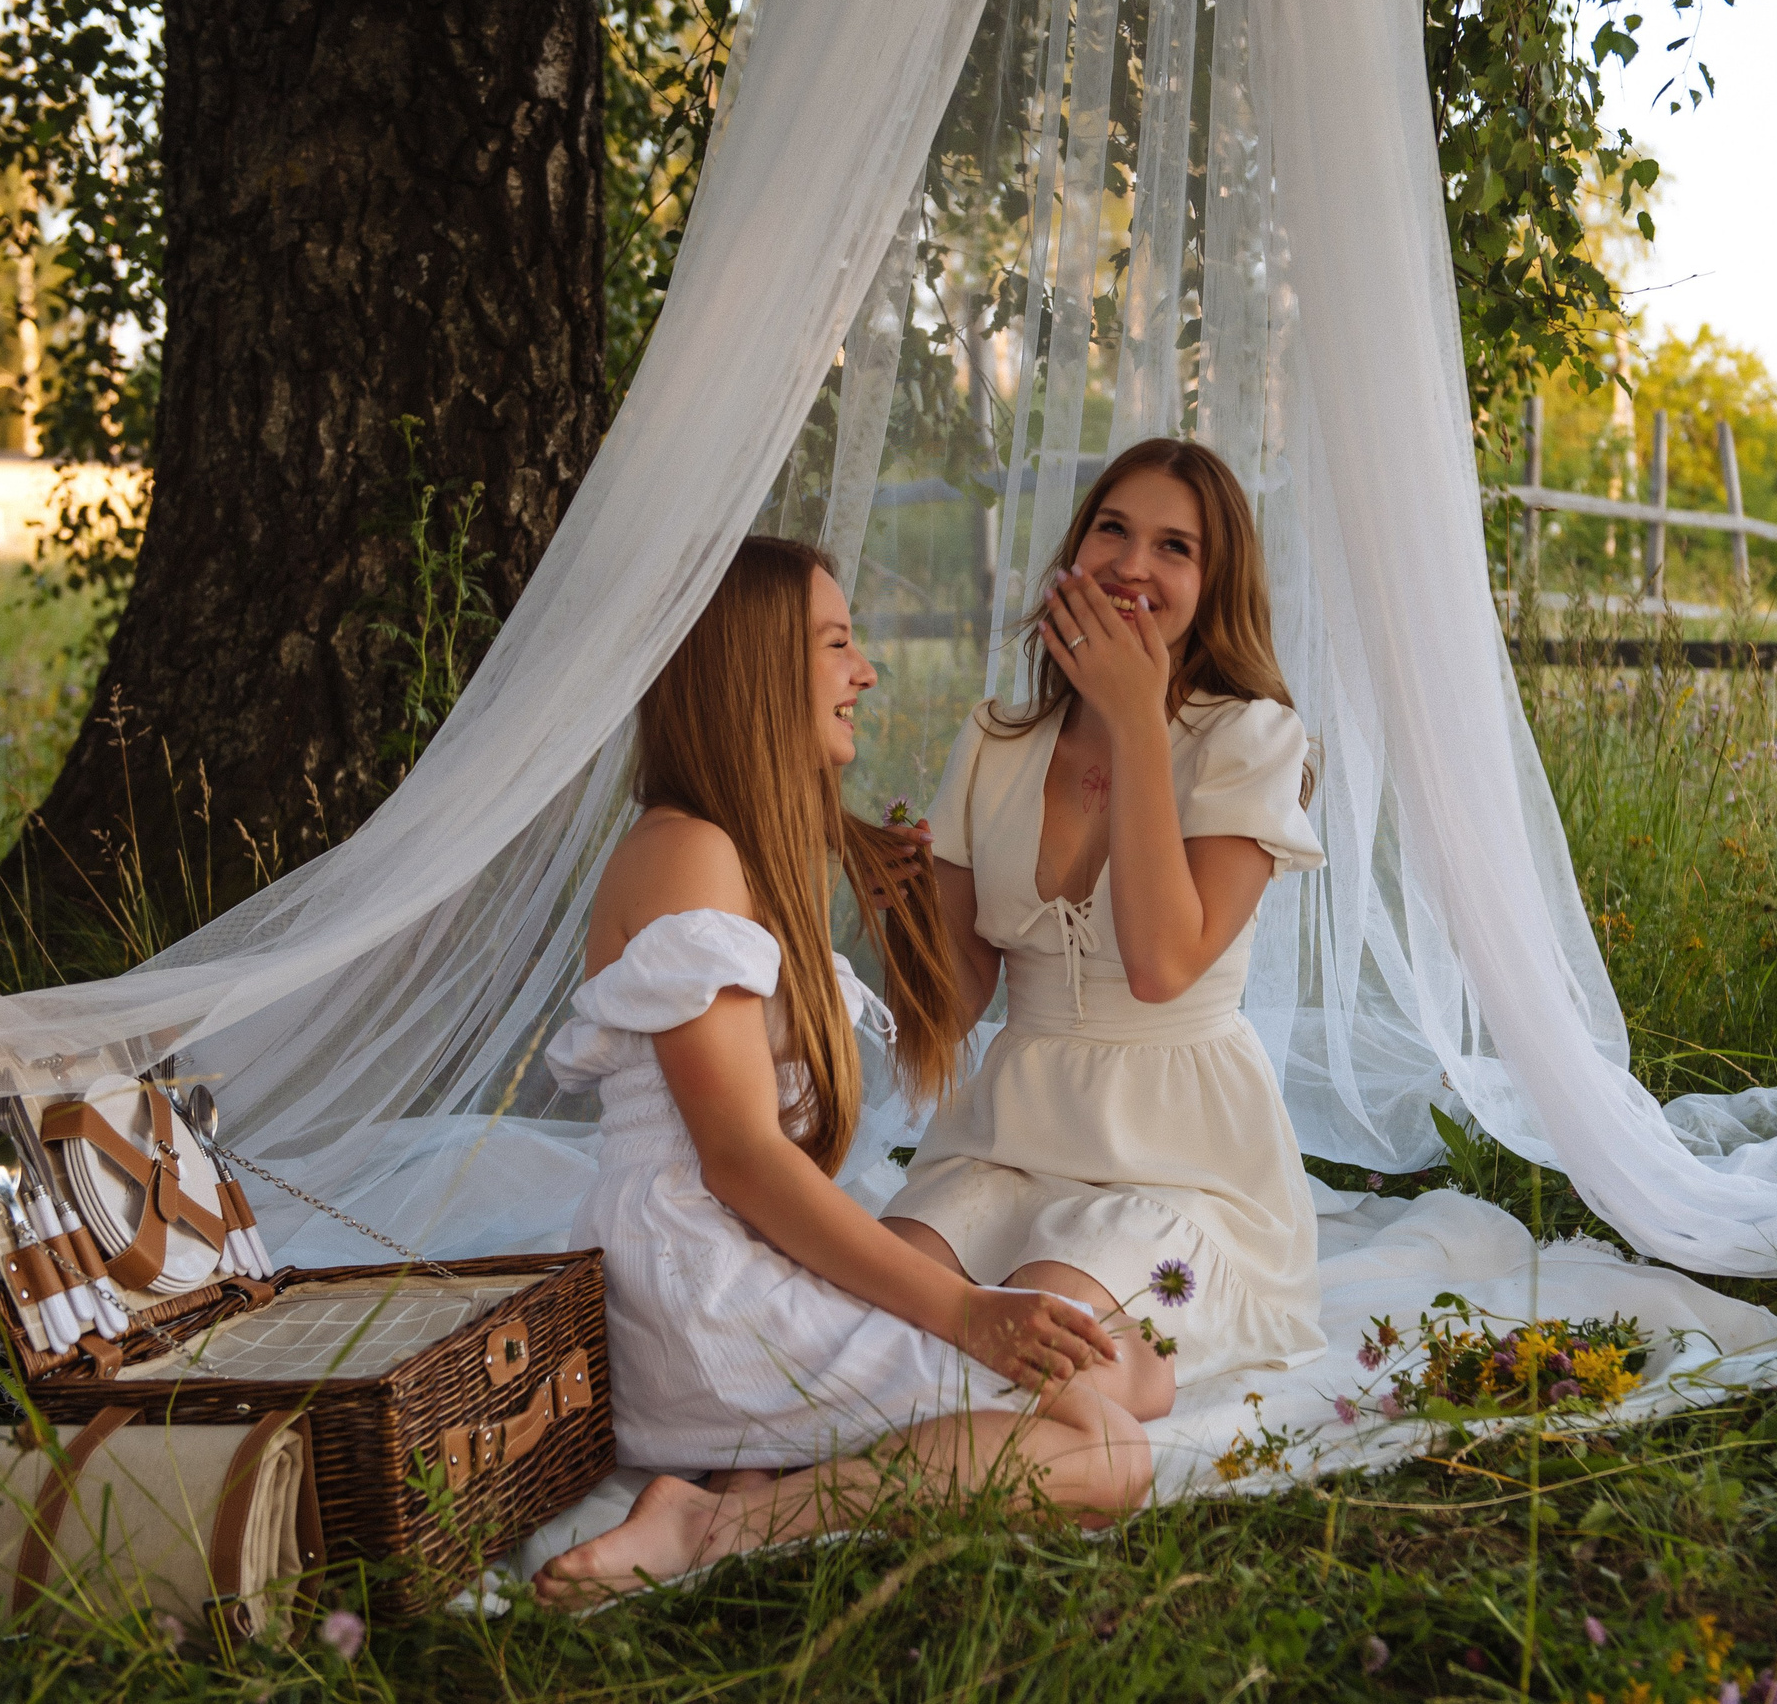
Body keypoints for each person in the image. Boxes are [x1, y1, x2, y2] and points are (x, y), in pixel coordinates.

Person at [533, 539, 1150, 1605]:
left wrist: (866, 874)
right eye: (835, 643)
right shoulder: (688, 856)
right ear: (754, 669)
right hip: (702, 1283)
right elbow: (739, 1159)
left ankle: (751, 1460)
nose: (864, 670)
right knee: (1107, 1449)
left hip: (742, 1247)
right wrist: (960, 1309)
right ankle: (718, 1519)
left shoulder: (731, 850)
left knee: (1128, 1361)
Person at [880, 438, 1326, 1422]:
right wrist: (902, 908)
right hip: (1004, 1142)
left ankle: (1109, 1405)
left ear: (1214, 586)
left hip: (1179, 1165)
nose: (1133, 563)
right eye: (1112, 529)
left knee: (1046, 1344)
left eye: (1175, 546)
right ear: (1073, 553)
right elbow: (953, 1003)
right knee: (870, 1318)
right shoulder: (995, 737)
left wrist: (1134, 719)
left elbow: (1164, 964)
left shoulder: (1248, 737)